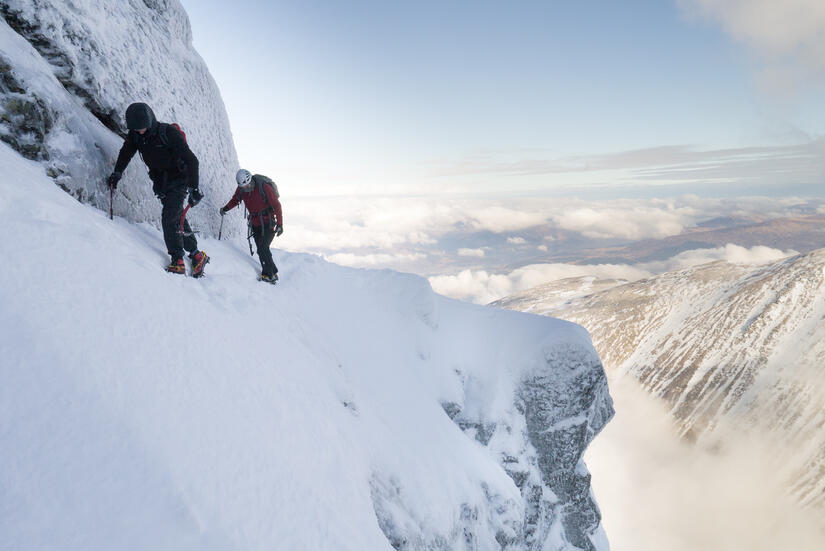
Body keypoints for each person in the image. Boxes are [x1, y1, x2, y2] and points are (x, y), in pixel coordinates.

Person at [107, 102, 209, 277]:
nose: (140, 132)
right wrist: (117, 173)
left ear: (150, 121)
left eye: (143, 128)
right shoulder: (136, 136)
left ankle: (177, 259)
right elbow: (126, 153)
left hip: (179, 179)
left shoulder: (168, 133)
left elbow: (192, 160)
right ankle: (196, 254)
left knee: (169, 218)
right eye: (137, 129)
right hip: (161, 182)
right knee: (177, 217)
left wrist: (194, 188)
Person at [220, 169, 283, 283]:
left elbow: (276, 205)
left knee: (263, 248)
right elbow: (235, 200)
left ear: (250, 180)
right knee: (261, 249)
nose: (246, 188)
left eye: (247, 185)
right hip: (255, 223)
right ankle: (272, 272)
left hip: (268, 222)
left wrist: (280, 224)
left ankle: (268, 274)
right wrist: (226, 208)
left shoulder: (264, 187)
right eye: (243, 186)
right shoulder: (241, 190)